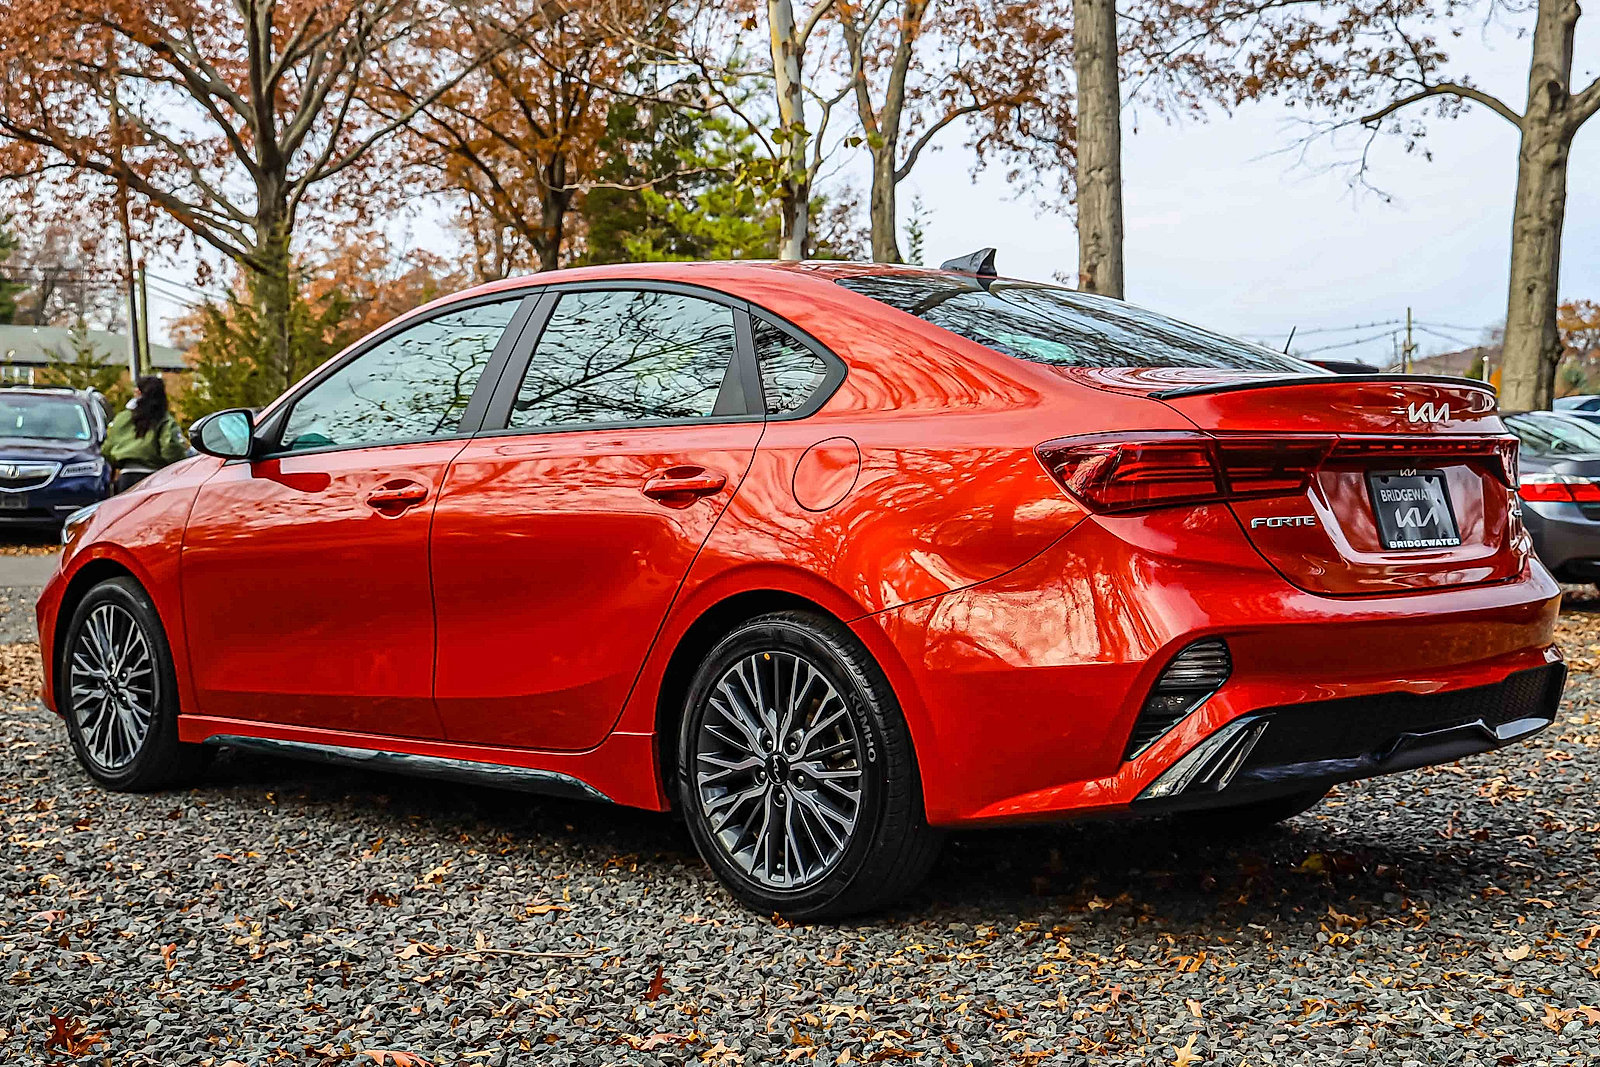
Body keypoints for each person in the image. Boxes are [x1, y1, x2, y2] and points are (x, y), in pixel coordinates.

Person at [102, 376, 187, 492]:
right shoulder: (164, 419)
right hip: (155, 477)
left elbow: (107, 449)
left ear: (137, 392)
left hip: (126, 478)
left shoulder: (121, 418)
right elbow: (170, 448)